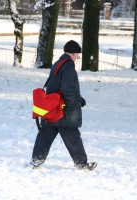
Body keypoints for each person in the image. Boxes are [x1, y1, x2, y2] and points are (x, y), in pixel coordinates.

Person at [30, 40, 97, 171]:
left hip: (53, 109)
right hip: (63, 110)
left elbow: (57, 86)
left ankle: (36, 161)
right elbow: (67, 88)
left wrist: (79, 98)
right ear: (72, 53)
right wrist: (73, 104)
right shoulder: (68, 66)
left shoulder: (58, 64)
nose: (78, 57)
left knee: (45, 135)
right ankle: (82, 165)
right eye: (77, 54)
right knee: (73, 137)